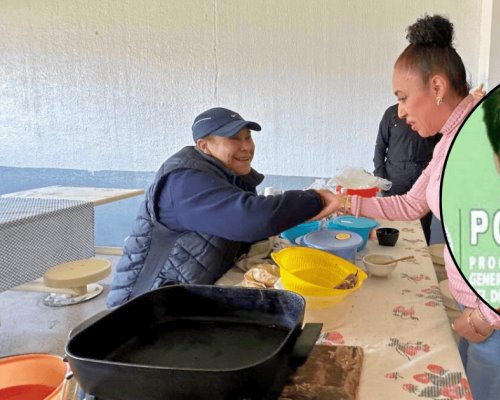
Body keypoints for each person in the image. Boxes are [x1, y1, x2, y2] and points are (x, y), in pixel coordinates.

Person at [315, 15, 500, 400]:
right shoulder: (453, 141)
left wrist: (486, 318)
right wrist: (344, 201)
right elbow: (414, 203)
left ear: (436, 87)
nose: (398, 112)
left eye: (402, 97)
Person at [107, 107, 341, 308]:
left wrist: (297, 217)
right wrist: (314, 199)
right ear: (204, 146)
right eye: (234, 139)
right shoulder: (184, 182)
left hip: (193, 290)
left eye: (248, 137)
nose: (246, 147)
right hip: (146, 304)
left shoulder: (228, 175)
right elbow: (251, 220)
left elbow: (249, 228)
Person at [373, 103, 440, 244]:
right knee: (391, 225)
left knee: (423, 226)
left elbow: (439, 149)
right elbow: (380, 146)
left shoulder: (431, 115)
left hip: (423, 178)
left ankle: (421, 261)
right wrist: (380, 177)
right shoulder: (391, 113)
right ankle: (388, 259)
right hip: (394, 179)